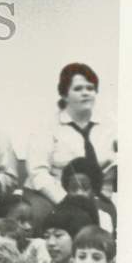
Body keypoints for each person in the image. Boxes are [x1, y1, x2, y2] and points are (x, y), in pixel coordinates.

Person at [24, 63, 118, 225]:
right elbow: (38, 172)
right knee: (44, 216)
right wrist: (67, 200)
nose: (86, 93)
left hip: (91, 194)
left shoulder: (110, 127)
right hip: (49, 195)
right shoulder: (47, 127)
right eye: (78, 89)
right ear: (64, 94)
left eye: (90, 88)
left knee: (106, 219)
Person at [61, 156, 117, 234]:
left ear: (94, 189)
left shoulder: (103, 216)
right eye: (73, 188)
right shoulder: (61, 213)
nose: (79, 193)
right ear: (67, 189)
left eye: (85, 188)